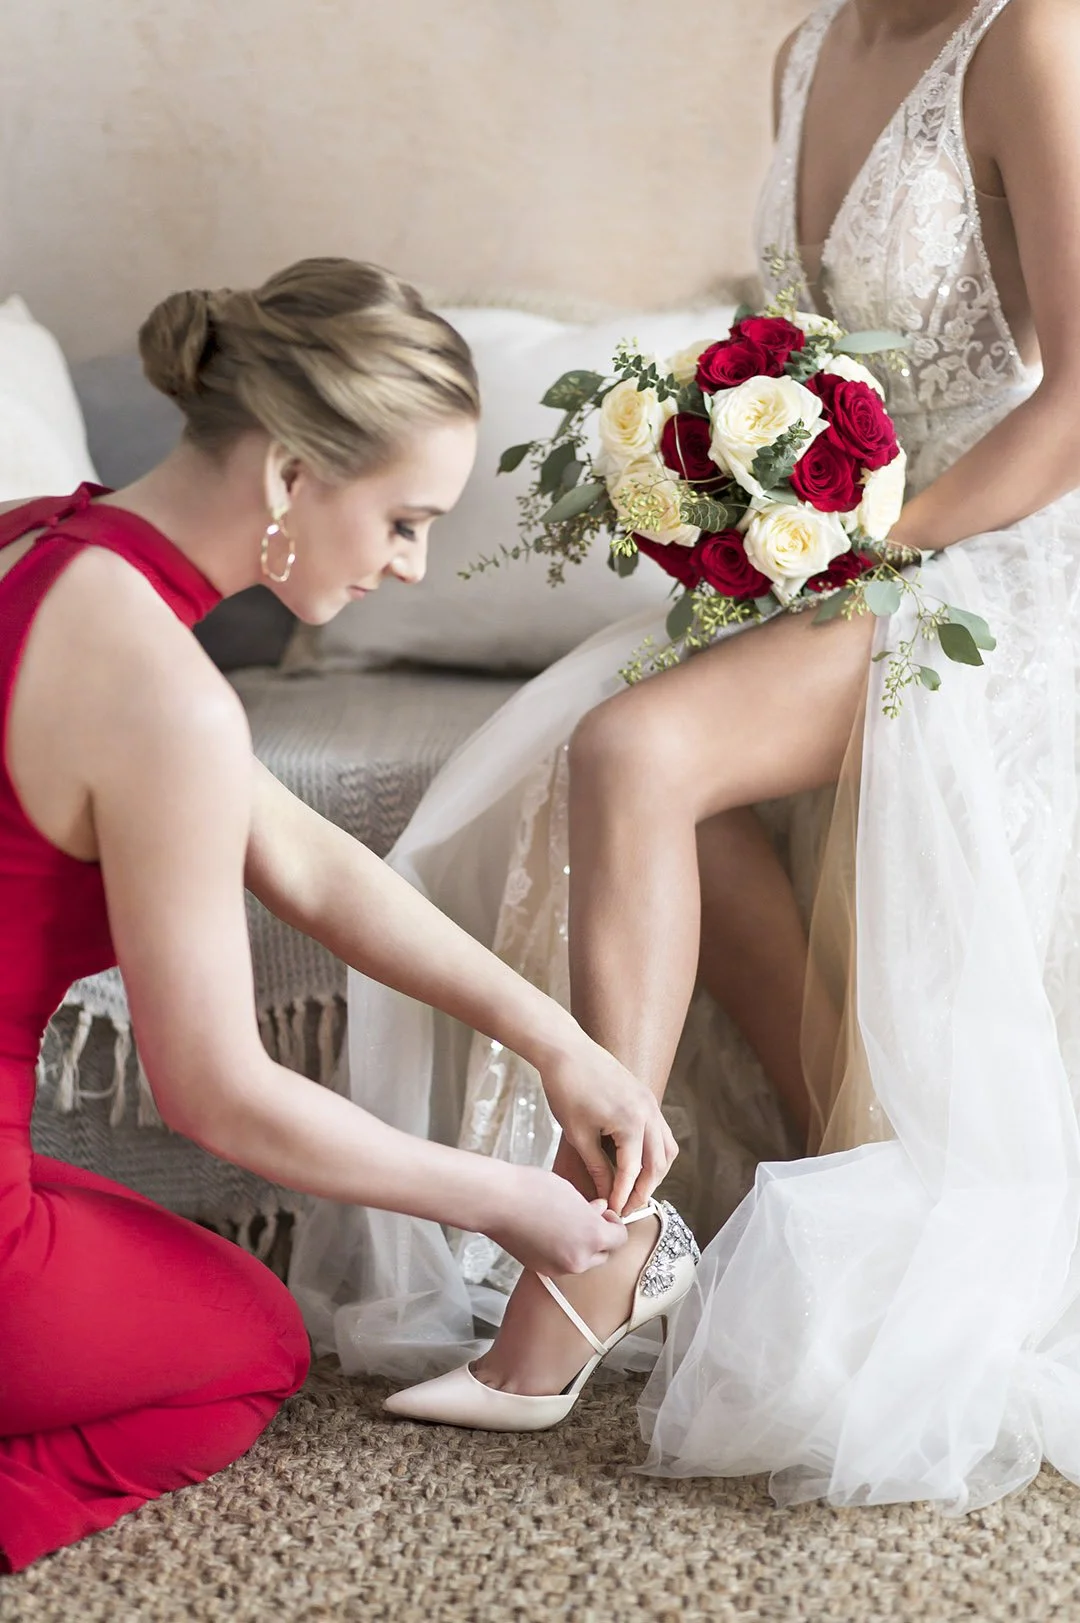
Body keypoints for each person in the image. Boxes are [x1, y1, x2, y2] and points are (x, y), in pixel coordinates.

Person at [298, 0, 1080, 1509]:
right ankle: (856, 1173)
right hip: (846, 554)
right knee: (637, 791)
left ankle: (589, 1264)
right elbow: (807, 345)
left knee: (633, 748)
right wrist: (723, 482)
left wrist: (877, 533)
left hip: (999, 559)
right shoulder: (803, 51)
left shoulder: (1028, 35)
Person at [0, 256, 681, 1571]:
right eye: (404, 520)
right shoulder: (160, 693)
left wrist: (557, 1037)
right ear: (289, 475)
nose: (414, 565)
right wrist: (510, 1205)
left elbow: (304, 862)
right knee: (251, 1346)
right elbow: (221, 1099)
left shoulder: (42, 540)